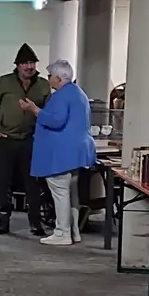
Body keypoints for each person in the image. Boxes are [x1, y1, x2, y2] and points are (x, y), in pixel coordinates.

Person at [22, 60, 97, 246]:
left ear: (57, 78)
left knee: (60, 193)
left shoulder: (61, 96)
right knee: (72, 195)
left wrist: (34, 110)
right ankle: (73, 231)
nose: (48, 80)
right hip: (76, 153)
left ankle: (62, 233)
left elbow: (56, 121)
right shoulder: (78, 93)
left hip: (61, 154)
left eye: (49, 76)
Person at [0, 44, 52, 236]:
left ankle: (35, 222)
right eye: (24, 63)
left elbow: (48, 112)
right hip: (6, 139)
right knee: (3, 182)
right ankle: (3, 221)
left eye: (31, 62)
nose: (29, 66)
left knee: (32, 182)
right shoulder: (4, 82)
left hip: (31, 140)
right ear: (17, 65)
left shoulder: (42, 85)